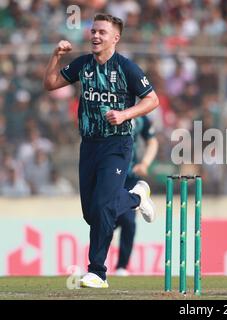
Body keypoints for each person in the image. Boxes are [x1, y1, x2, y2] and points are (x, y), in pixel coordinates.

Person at [43, 13, 159, 288]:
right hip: (90, 145)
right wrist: (56, 55)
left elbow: (151, 100)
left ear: (115, 38)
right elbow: (50, 84)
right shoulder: (83, 64)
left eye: (102, 32)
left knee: (105, 205)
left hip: (117, 145)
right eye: (93, 31)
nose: (95, 36)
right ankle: (136, 197)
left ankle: (97, 272)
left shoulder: (127, 68)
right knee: (92, 213)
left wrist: (125, 114)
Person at [115, 116, 159, 276]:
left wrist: (145, 163)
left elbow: (152, 141)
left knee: (128, 221)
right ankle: (96, 267)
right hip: (108, 173)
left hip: (130, 176)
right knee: (104, 220)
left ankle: (122, 266)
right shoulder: (108, 109)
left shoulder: (140, 119)